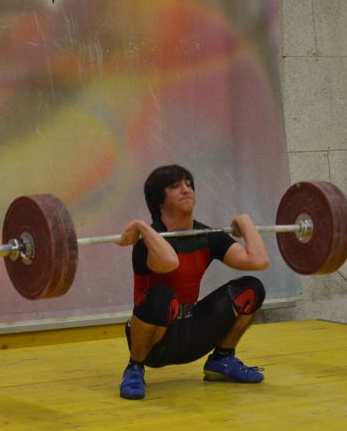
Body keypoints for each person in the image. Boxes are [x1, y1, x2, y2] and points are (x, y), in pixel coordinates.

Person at [116, 164, 270, 400]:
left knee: (251, 288)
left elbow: (258, 261)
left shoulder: (207, 236)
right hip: (155, 343)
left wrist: (245, 222)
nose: (186, 190)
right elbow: (169, 263)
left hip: (193, 331)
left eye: (189, 184)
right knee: (160, 297)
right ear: (159, 199)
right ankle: (134, 368)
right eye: (175, 186)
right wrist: (142, 227)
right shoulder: (147, 240)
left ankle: (222, 360)